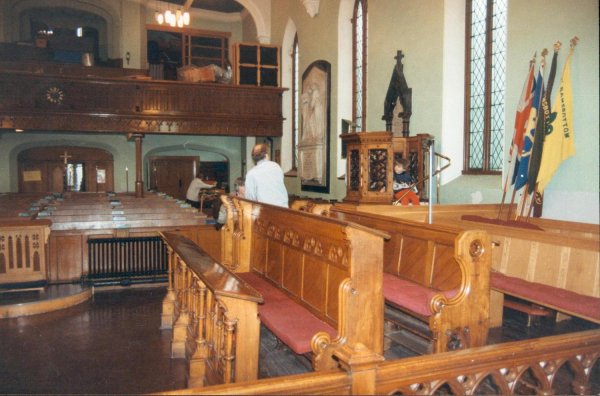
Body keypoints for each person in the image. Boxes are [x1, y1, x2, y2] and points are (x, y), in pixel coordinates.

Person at [245, 144, 289, 208]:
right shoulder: (276, 167)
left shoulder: (251, 173)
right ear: (266, 155)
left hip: (266, 209)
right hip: (283, 208)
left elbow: (249, 198)